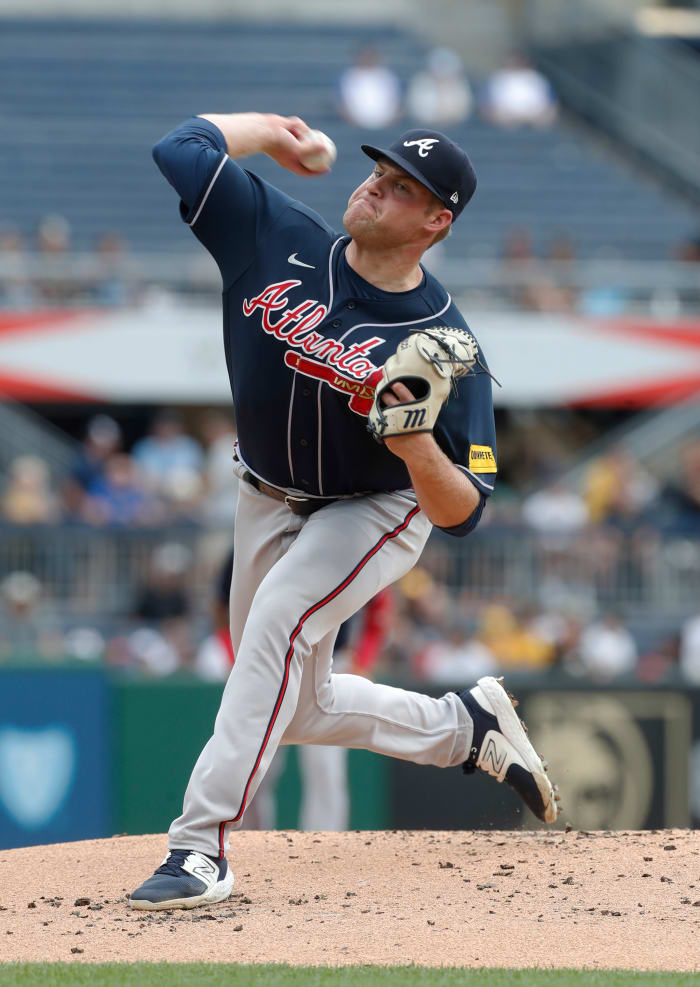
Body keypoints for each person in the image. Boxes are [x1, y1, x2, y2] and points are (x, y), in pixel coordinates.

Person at [129, 111, 559, 911]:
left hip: (375, 504)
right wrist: (270, 133)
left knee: (276, 625)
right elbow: (177, 147)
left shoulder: (448, 345)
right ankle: (464, 727)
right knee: (293, 702)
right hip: (259, 490)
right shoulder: (275, 235)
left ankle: (199, 845)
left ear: (437, 221)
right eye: (379, 173)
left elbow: (465, 509)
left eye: (402, 189)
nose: (375, 188)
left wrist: (417, 445)